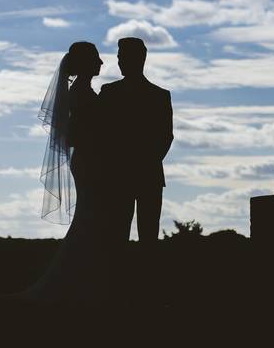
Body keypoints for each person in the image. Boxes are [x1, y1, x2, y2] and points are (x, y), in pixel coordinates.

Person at [22, 41, 107, 302]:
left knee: (88, 219)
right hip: (89, 162)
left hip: (87, 160)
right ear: (85, 64)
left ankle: (79, 278)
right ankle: (75, 282)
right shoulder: (81, 93)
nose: (101, 63)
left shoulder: (81, 91)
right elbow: (76, 135)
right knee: (88, 219)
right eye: (96, 58)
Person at [99, 37, 174, 245]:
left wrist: (141, 161)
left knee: (147, 234)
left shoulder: (159, 96)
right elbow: (101, 133)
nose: (120, 62)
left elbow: (166, 136)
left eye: (123, 57)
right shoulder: (110, 92)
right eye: (119, 57)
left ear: (140, 59)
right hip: (125, 174)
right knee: (117, 234)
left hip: (140, 174)